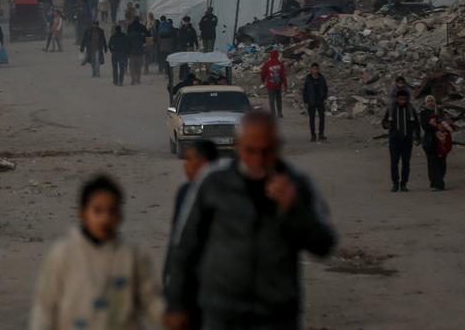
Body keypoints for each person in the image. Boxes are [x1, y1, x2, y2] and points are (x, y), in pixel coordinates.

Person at [163, 111, 336, 330]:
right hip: (221, 313)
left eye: (267, 151)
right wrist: (175, 303)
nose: (258, 160)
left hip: (277, 315)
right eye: (250, 150)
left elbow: (324, 244)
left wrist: (294, 209)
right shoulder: (213, 181)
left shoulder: (298, 184)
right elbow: (184, 246)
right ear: (238, 146)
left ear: (278, 146)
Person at [30, 175, 161, 330]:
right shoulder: (62, 255)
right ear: (82, 214)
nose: (105, 219)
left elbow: (150, 300)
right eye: (97, 211)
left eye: (111, 211)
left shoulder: (133, 256)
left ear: (120, 216)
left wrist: (170, 316)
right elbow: (45, 308)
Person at [164, 140, 221, 318]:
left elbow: (178, 242)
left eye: (189, 160)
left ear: (203, 163)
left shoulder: (223, 195)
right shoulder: (185, 192)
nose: (185, 166)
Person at [382, 88, 420, 192]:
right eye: (400, 99)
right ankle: (395, 183)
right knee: (394, 162)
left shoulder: (411, 109)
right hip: (394, 140)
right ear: (397, 99)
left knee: (406, 163)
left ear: (407, 99)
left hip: (407, 140)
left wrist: (417, 138)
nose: (402, 101)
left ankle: (404, 183)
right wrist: (387, 125)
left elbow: (416, 125)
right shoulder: (391, 109)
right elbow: (384, 123)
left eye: (404, 99)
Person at [419, 95, 452, 191]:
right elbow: (425, 126)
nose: (430, 102)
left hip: (442, 141)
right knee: (432, 163)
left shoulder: (440, 112)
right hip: (430, 141)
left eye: (432, 100)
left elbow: (446, 123)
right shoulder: (424, 113)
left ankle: (438, 181)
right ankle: (437, 184)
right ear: (425, 103)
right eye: (428, 101)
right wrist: (437, 127)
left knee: (442, 163)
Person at [302, 63, 329, 142]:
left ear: (318, 69)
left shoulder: (321, 78)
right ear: (311, 70)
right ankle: (313, 135)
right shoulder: (308, 79)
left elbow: (325, 88)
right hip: (311, 102)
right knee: (312, 119)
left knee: (322, 118)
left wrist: (324, 97)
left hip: (320, 101)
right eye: (313, 69)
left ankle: (321, 134)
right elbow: (305, 91)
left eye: (316, 69)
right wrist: (306, 101)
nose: (315, 70)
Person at [260, 49, 288, 118]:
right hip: (278, 85)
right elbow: (283, 75)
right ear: (277, 55)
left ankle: (273, 114)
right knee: (279, 100)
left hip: (270, 85)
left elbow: (263, 73)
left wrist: (263, 80)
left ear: (271, 55)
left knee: (271, 100)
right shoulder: (280, 64)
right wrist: (285, 85)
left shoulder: (267, 64)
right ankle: (279, 113)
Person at [126, 16, 147, 85]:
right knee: (139, 66)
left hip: (132, 51)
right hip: (140, 50)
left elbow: (127, 41)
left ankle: (133, 79)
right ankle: (138, 79)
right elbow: (145, 39)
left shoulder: (130, 27)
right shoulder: (142, 27)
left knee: (132, 66)